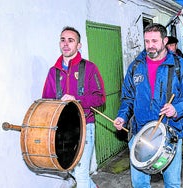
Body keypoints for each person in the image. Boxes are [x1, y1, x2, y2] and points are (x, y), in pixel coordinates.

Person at [113, 23, 183, 188]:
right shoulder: (135, 67)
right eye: (147, 41)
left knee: (172, 183)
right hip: (140, 133)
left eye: (154, 41)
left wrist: (176, 109)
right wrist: (122, 116)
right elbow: (128, 98)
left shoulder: (181, 66)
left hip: (170, 134)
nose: (150, 46)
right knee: (139, 184)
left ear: (165, 40)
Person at [42, 26, 106, 187]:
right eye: (63, 40)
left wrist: (77, 99)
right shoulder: (53, 72)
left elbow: (100, 98)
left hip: (85, 126)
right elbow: (46, 102)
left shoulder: (90, 68)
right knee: (72, 170)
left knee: (82, 174)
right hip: (61, 129)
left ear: (79, 45)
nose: (66, 44)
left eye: (71, 40)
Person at [166, 36, 183, 163]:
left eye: (172, 45)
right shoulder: (163, 60)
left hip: (181, 101)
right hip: (166, 102)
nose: (169, 48)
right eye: (168, 45)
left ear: (176, 46)